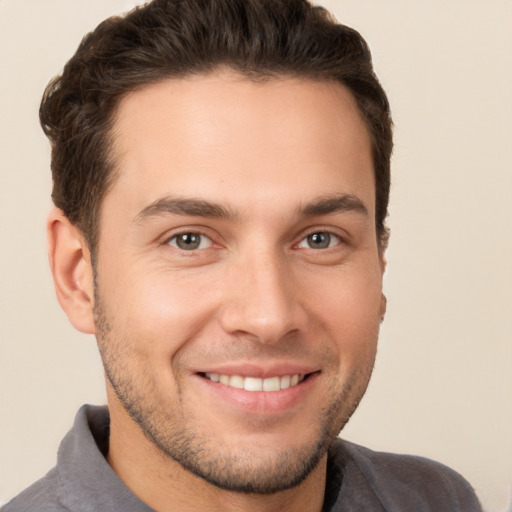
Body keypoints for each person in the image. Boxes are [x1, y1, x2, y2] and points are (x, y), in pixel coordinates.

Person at [2, 1, 482, 511]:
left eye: (320, 239)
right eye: (189, 239)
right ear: (77, 274)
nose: (269, 317)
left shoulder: (436, 501)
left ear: (379, 264)